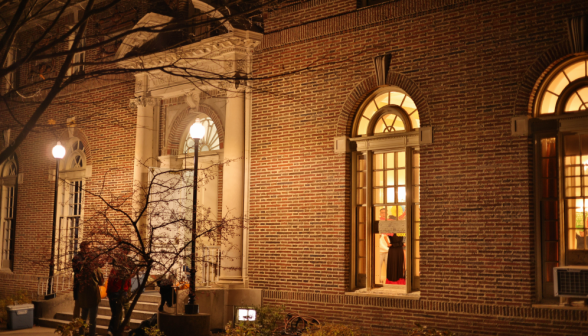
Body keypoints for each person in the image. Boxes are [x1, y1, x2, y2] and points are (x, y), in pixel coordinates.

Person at [77, 243, 104, 336]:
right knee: (92, 318)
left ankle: (81, 333)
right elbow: (101, 282)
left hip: (83, 295)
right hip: (92, 296)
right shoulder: (96, 269)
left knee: (83, 317)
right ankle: (92, 333)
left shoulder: (82, 268)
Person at [107, 244, 133, 335]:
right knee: (120, 308)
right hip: (120, 288)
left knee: (124, 306)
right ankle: (120, 324)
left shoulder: (127, 261)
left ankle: (124, 324)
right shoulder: (122, 263)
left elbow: (130, 274)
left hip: (122, 288)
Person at [72, 241, 91, 319]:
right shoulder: (77, 258)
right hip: (79, 284)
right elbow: (76, 270)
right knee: (78, 304)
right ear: (83, 248)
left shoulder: (90, 257)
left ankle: (85, 324)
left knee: (88, 305)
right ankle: (75, 323)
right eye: (88, 248)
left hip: (88, 284)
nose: (89, 250)